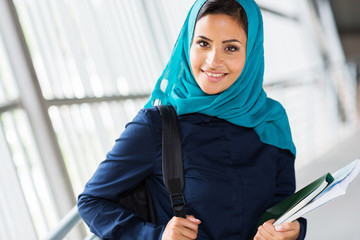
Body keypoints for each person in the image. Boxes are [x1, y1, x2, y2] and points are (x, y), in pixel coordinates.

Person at [77, 0, 307, 239]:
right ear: (188, 45)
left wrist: (295, 230)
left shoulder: (270, 122)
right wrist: (156, 236)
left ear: (252, 53)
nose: (212, 61)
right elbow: (92, 201)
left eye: (231, 48)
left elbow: (283, 209)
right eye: (203, 43)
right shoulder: (157, 126)